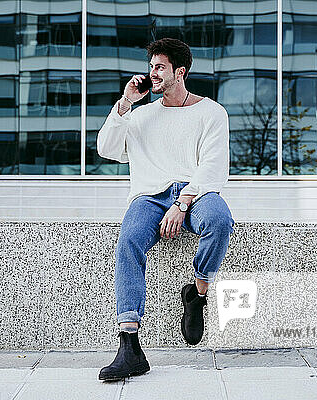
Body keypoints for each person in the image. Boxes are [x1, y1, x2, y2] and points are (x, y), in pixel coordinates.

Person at [96, 38, 235, 381]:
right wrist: (126, 102)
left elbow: (214, 167)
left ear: (180, 72)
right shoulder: (141, 116)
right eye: (151, 67)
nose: (152, 73)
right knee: (128, 240)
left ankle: (197, 293)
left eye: (160, 67)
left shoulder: (212, 113)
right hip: (150, 195)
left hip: (196, 192)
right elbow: (106, 148)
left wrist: (183, 202)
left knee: (219, 220)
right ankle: (129, 344)